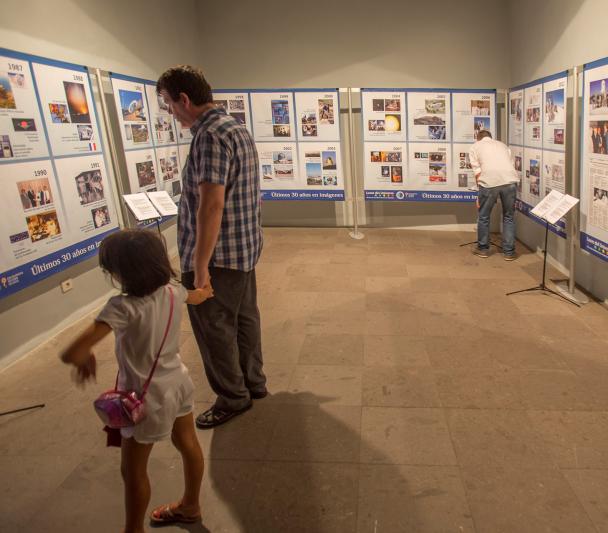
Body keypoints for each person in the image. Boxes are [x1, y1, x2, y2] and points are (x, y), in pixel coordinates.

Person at [60, 229, 211, 532]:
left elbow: (70, 352)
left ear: (120, 272)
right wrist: (205, 292)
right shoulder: (172, 290)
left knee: (133, 470)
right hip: (178, 382)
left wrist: (85, 356)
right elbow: (195, 296)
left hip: (145, 396)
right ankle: (191, 505)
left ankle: (133, 529)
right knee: (188, 444)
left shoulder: (121, 307)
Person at [156, 65, 266, 430]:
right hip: (243, 250)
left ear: (184, 99)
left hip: (218, 257)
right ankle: (253, 384)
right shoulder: (234, 127)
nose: (171, 112)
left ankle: (233, 397)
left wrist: (199, 268)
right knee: (244, 320)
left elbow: (211, 205)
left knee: (214, 327)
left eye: (170, 104)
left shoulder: (209, 136)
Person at [468, 130, 519, 260]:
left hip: (489, 182)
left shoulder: (475, 146)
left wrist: (479, 194)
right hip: (510, 181)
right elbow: (510, 165)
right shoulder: (502, 145)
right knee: (509, 217)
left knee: (484, 216)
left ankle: (483, 249)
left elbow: (477, 171)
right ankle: (509, 252)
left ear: (478, 138)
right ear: (490, 137)